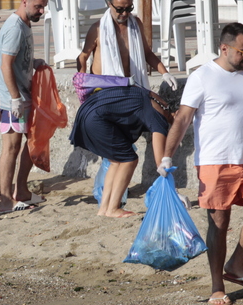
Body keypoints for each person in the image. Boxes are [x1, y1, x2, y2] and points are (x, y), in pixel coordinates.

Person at [159, 23, 243, 305]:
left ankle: (236, 265)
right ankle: (217, 286)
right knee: (219, 223)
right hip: (215, 162)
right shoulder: (202, 76)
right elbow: (182, 119)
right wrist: (167, 156)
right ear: (225, 48)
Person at [69, 85, 173, 218]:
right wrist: (172, 189)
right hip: (97, 118)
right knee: (129, 160)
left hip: (86, 111)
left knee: (116, 161)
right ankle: (113, 208)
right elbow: (161, 162)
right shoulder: (159, 118)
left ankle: (104, 208)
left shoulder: (149, 96)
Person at [0, 0, 49, 214]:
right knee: (11, 147)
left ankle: (22, 190)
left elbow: (17, 60)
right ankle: (5, 197)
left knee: (32, 141)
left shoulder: (26, 24)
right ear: (24, 2)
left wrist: (33, 63)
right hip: (12, 99)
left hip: (23, 94)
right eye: (38, 6)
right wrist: (14, 98)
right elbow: (5, 64)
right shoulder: (15, 27)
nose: (42, 11)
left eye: (44, 6)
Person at [77, 0, 178, 91]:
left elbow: (147, 53)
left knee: (162, 106)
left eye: (129, 8)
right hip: (104, 89)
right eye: (120, 9)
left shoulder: (136, 24)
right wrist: (82, 83)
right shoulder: (97, 29)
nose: (125, 13)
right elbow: (82, 57)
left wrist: (165, 73)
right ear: (110, 5)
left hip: (132, 86)